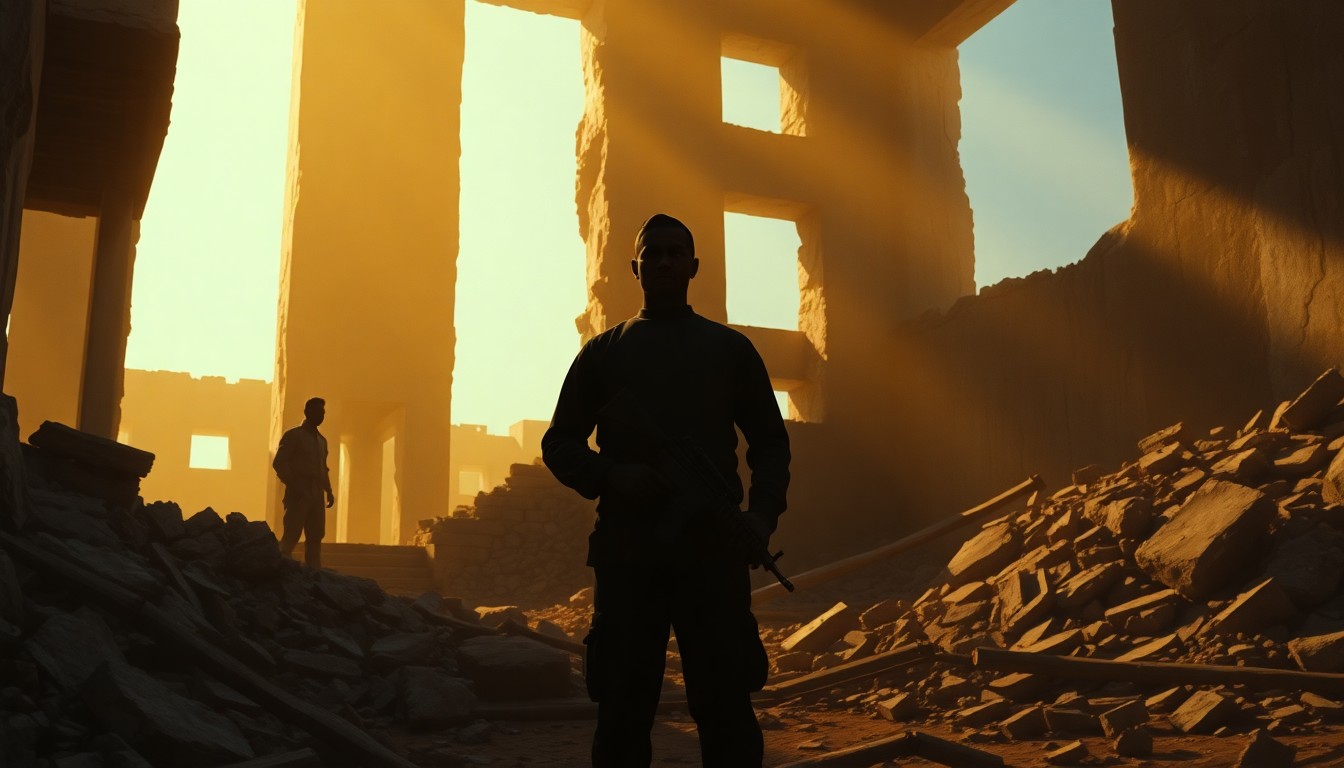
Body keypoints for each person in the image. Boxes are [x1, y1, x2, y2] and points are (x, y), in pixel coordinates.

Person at [542, 213, 791, 767]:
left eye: (674, 253)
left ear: (694, 266)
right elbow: (559, 443)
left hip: (712, 555)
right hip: (629, 557)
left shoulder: (730, 350)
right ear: (635, 267)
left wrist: (762, 517)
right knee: (624, 711)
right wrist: (613, 476)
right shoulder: (603, 353)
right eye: (651, 254)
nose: (662, 262)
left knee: (725, 706)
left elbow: (770, 444)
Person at [273, 396, 335, 569]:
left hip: (317, 494)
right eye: (318, 411)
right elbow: (279, 463)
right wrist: (294, 485)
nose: (322, 415)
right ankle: (280, 570)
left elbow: (323, 468)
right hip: (298, 492)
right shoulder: (294, 435)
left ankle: (314, 573)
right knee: (292, 533)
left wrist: (328, 490)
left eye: (323, 412)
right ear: (307, 412)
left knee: (315, 536)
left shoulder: (322, 441)